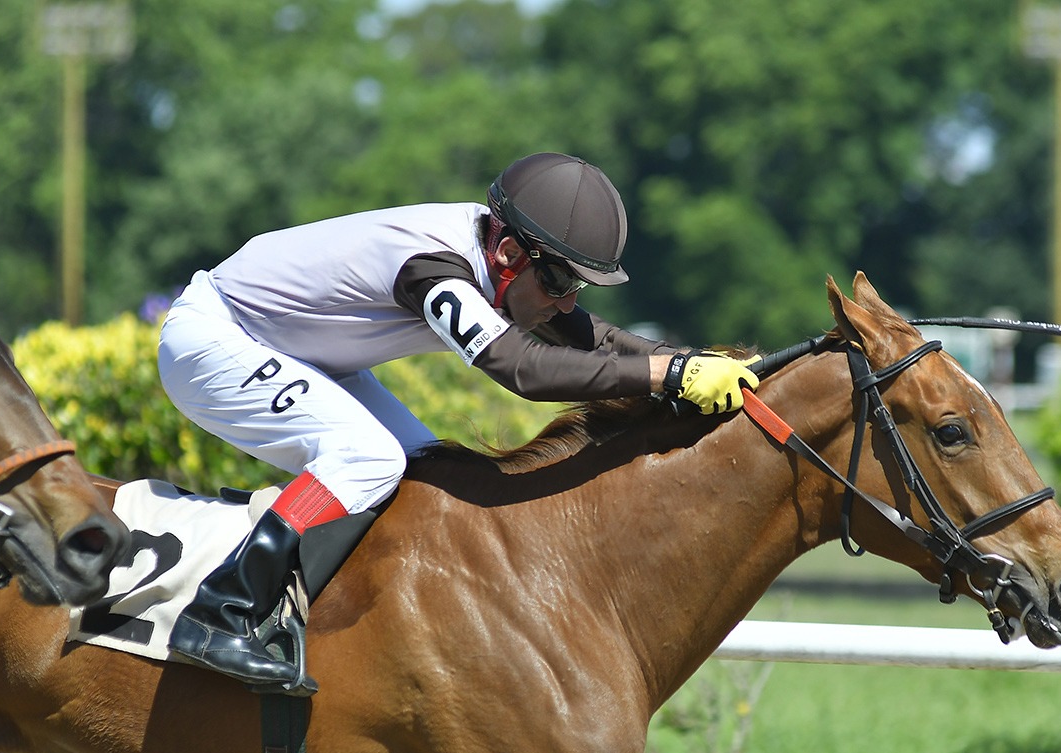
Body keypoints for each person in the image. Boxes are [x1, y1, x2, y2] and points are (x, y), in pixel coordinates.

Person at [157, 152, 759, 691]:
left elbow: (590, 336)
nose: (567, 300)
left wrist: (691, 362)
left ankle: (333, 623)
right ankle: (221, 611)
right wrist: (665, 375)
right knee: (369, 459)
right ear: (508, 254)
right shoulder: (433, 268)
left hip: (294, 350)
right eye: (559, 281)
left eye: (577, 284)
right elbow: (522, 370)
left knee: (429, 473)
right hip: (215, 337)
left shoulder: (504, 257)